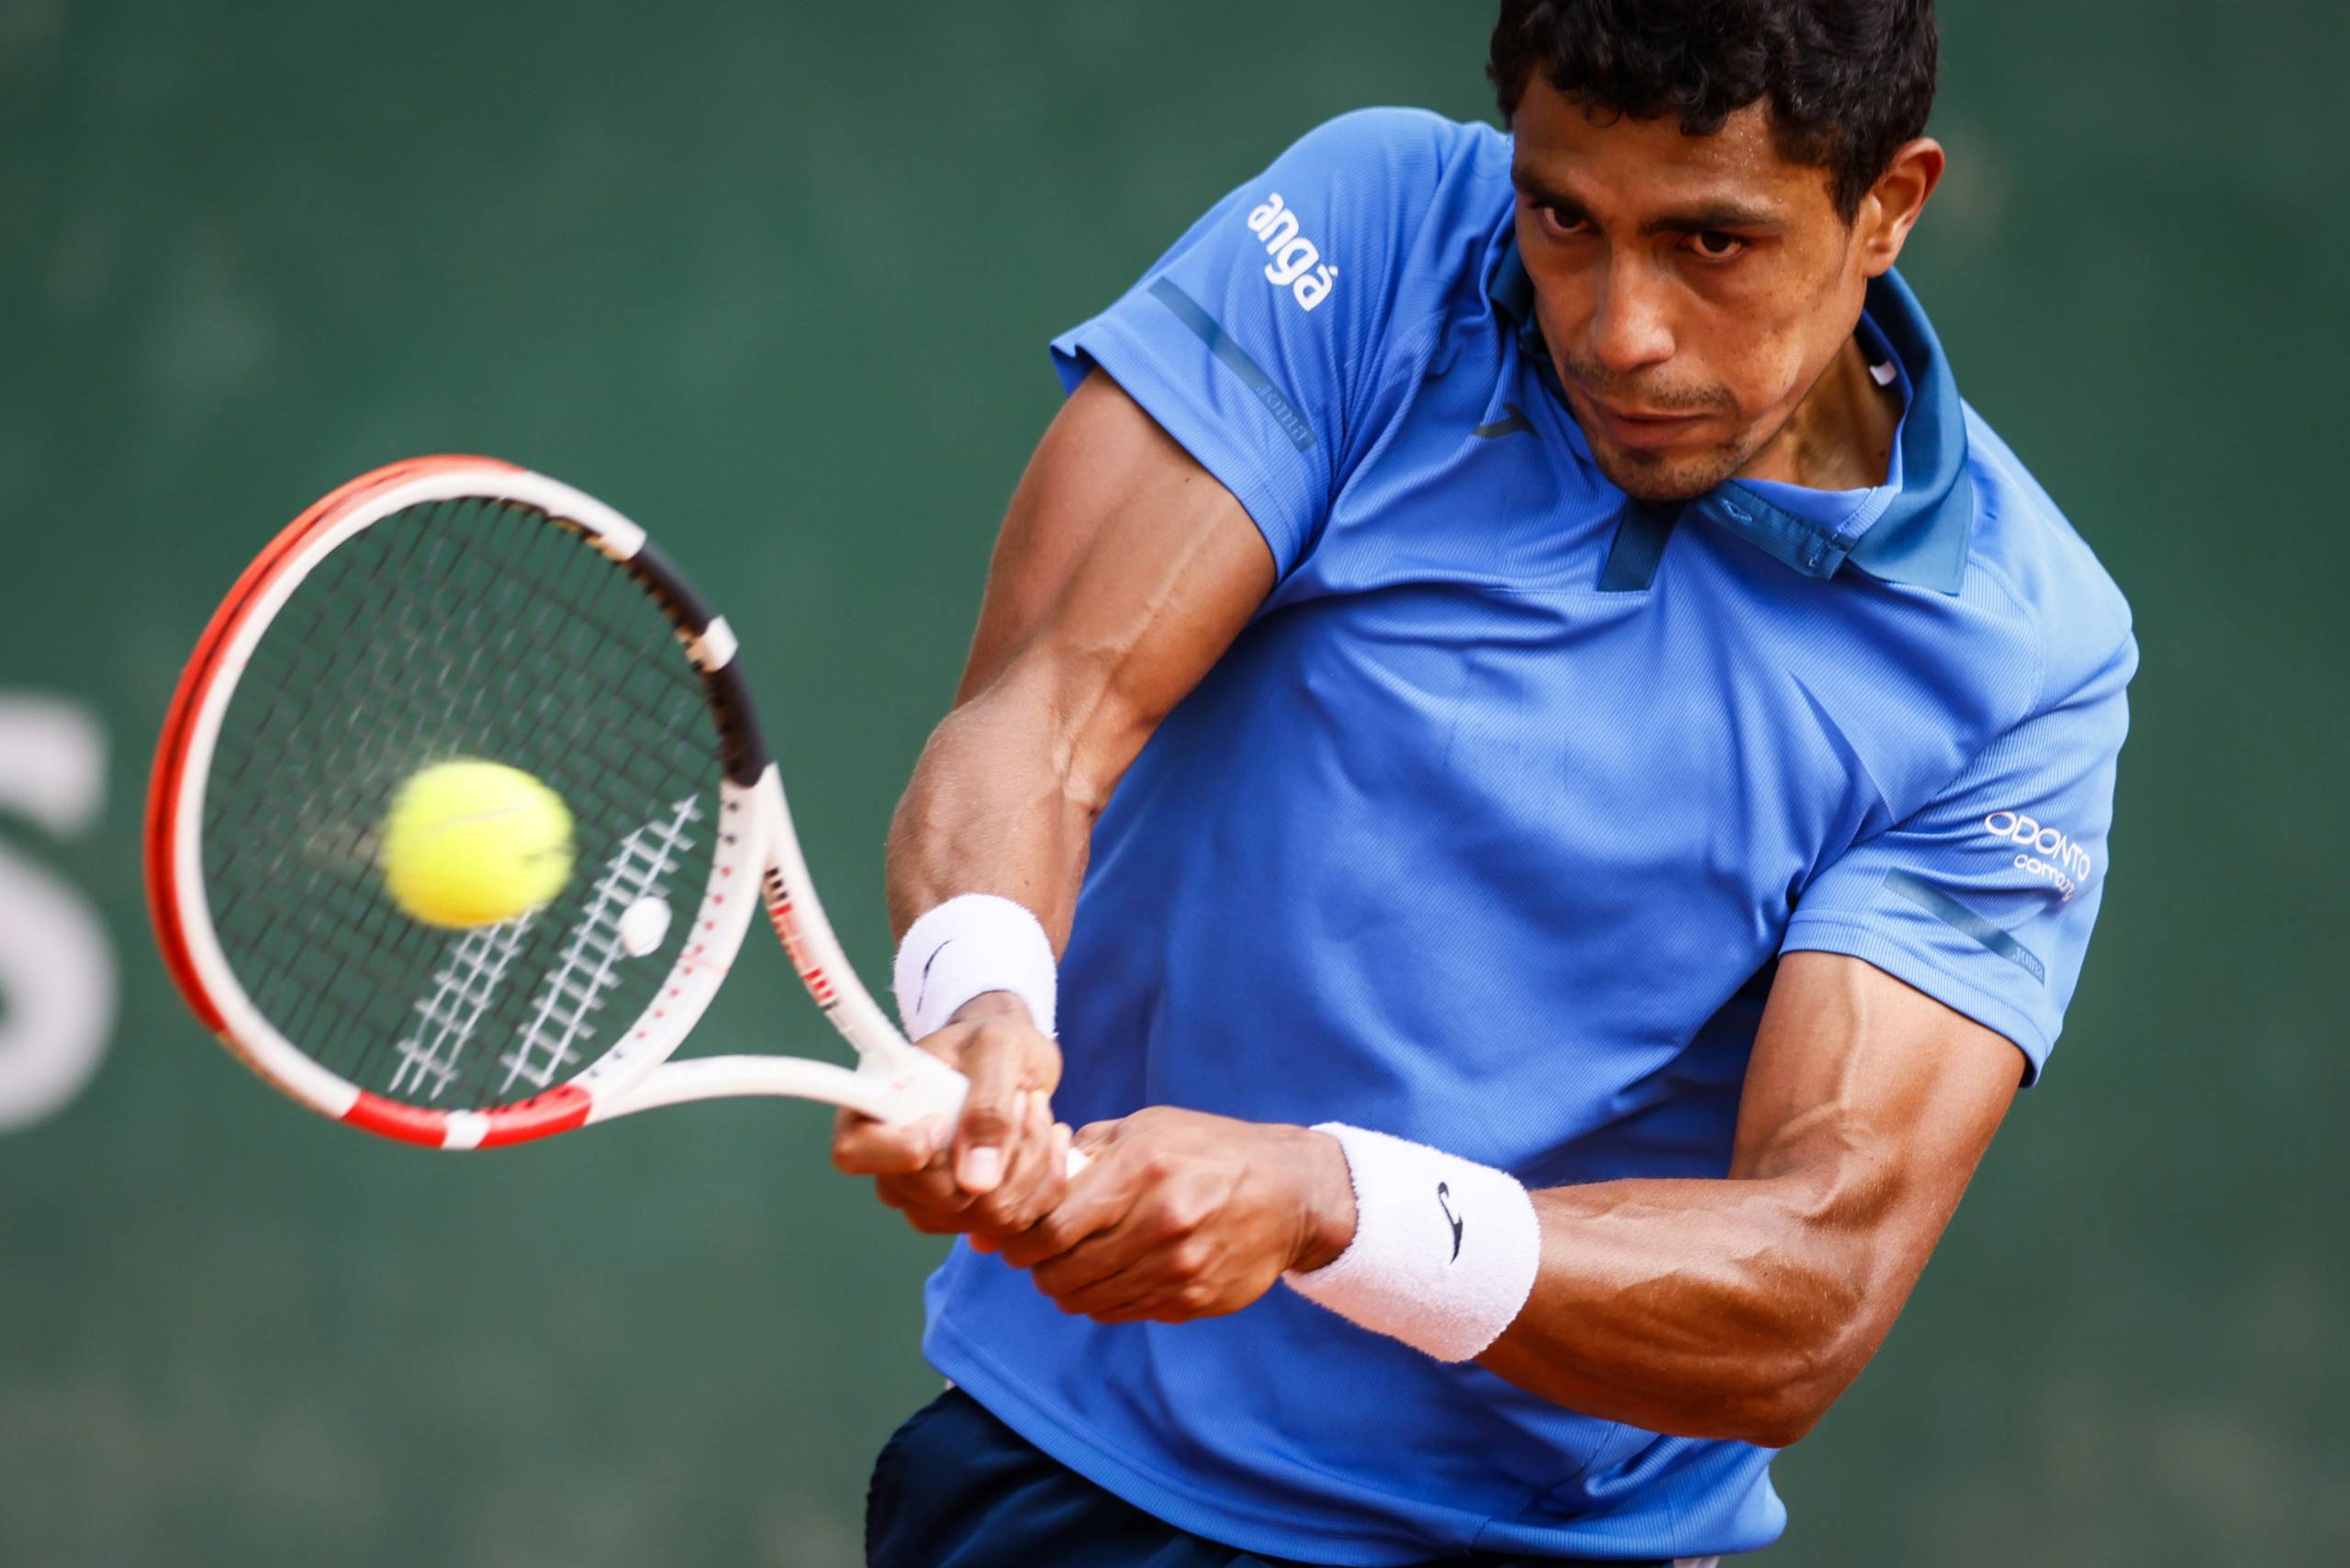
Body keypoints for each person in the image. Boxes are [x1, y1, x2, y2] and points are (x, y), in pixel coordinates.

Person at [836, 2, 2135, 1562]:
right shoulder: (1381, 233)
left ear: (1889, 205)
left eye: (1711, 244)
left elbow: (1814, 1281)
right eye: (1563, 217)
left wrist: (1329, 1203)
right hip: (1071, 1481)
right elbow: (1039, 710)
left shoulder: (2020, 662)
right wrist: (986, 1001)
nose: (1619, 330)